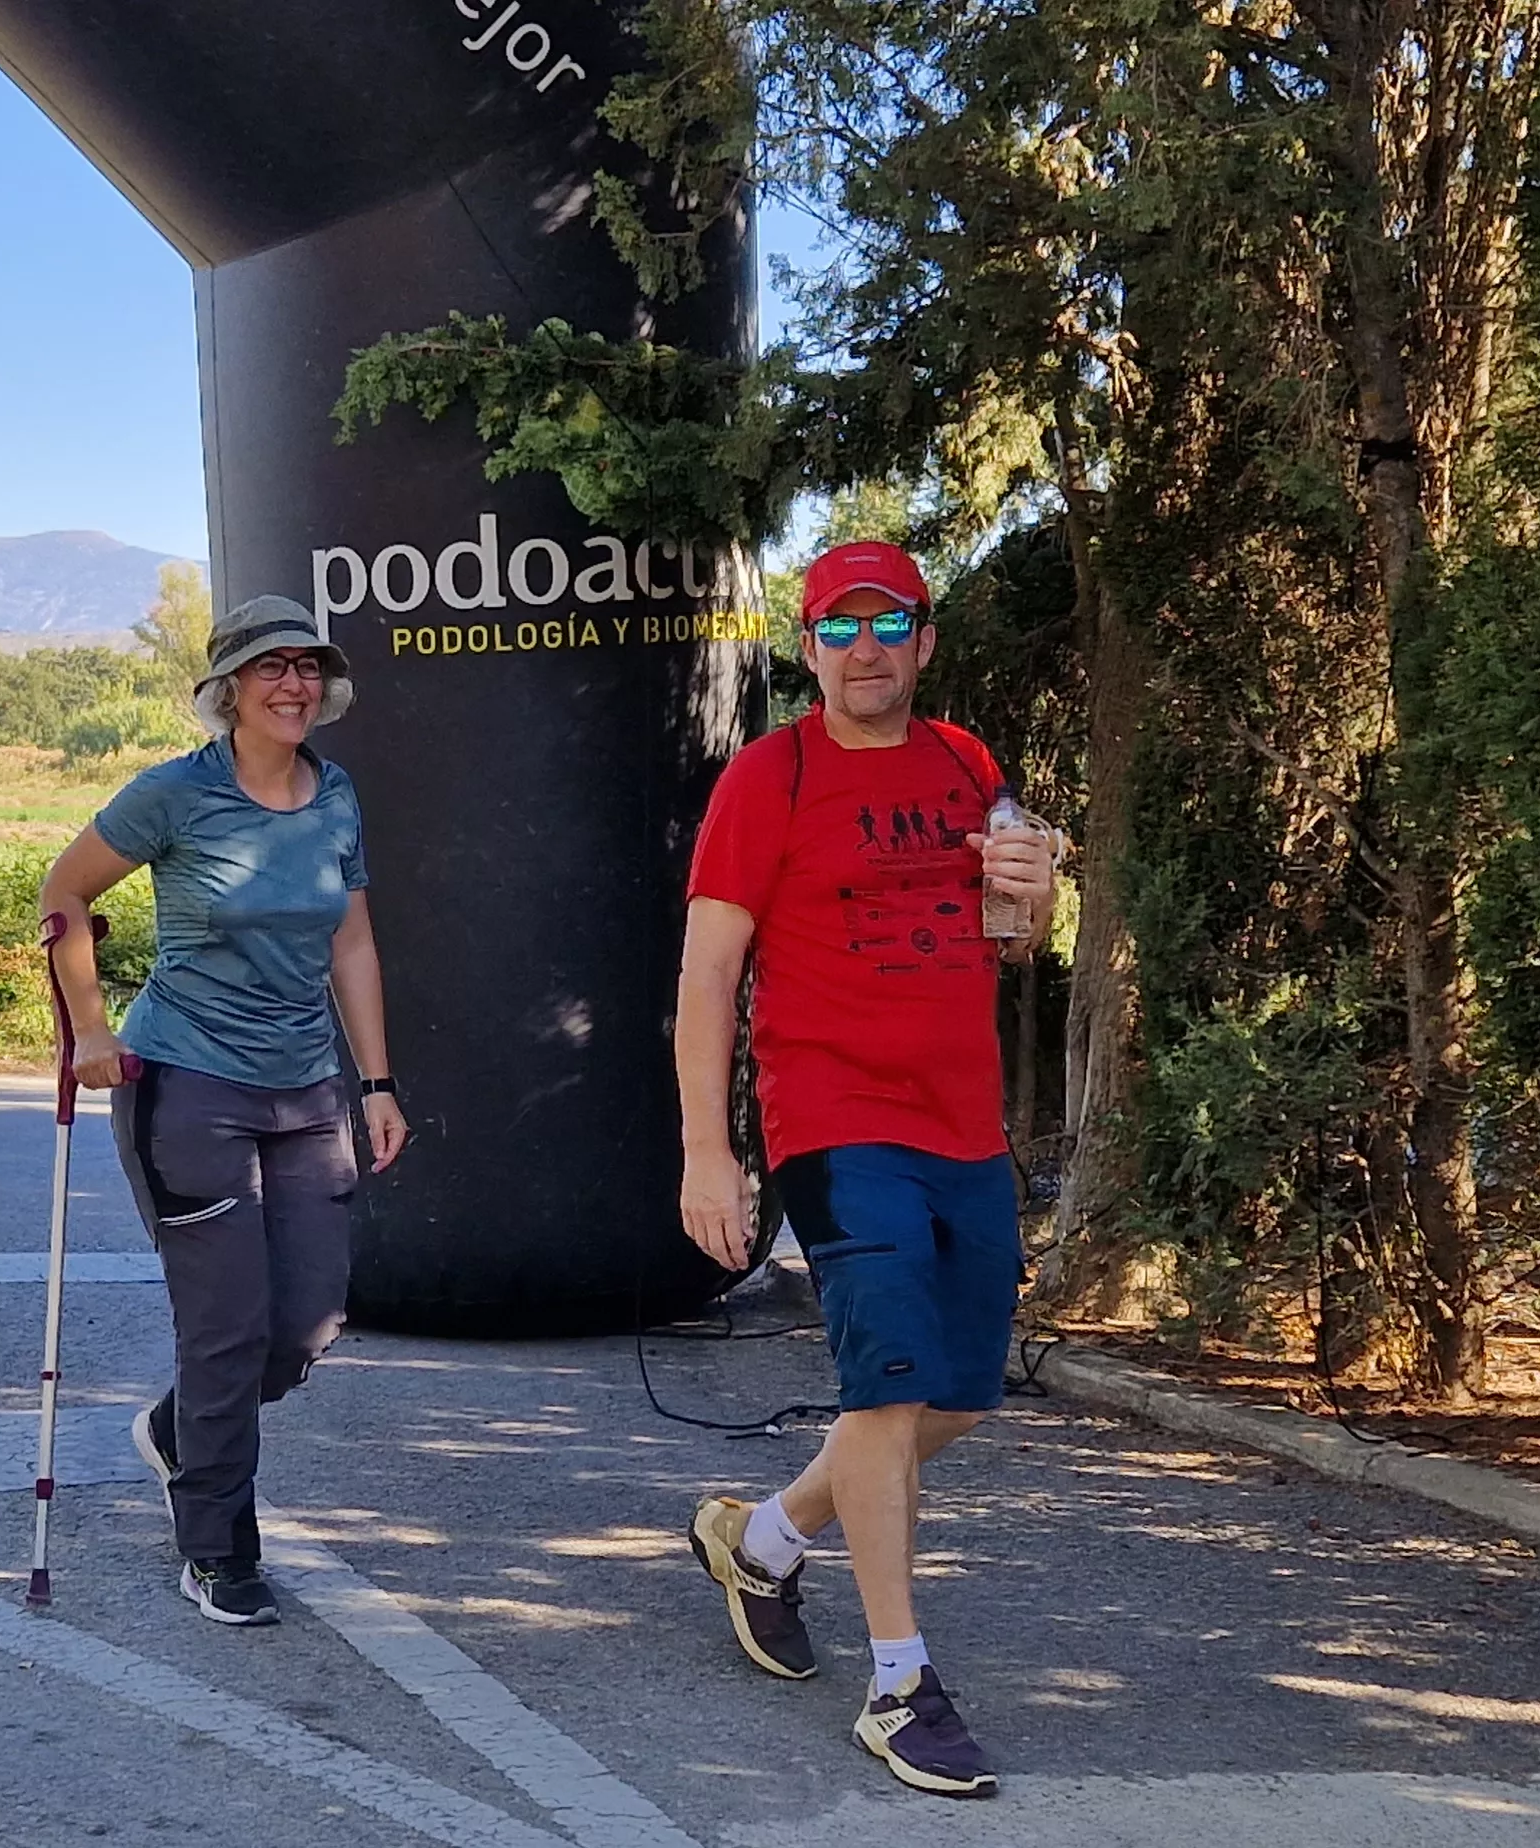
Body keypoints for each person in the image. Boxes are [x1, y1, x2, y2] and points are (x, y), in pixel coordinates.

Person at [668, 540, 1061, 1798]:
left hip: (964, 1125)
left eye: (887, 623)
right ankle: (901, 1687)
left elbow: (1010, 936)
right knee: (884, 1393)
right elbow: (707, 977)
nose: (865, 648)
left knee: (956, 1394)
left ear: (925, 640)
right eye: (838, 628)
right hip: (833, 1120)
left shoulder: (967, 767)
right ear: (808, 648)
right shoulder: (768, 779)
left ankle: (767, 1536)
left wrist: (1038, 893)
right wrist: (706, 1153)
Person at [39, 594, 410, 1627]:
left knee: (304, 1328)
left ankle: (177, 1434)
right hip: (187, 1085)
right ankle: (217, 1546)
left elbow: (352, 944)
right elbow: (64, 892)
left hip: (307, 1090)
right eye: (268, 668)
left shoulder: (335, 794)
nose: (292, 684)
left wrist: (375, 1083)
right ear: (228, 690)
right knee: (225, 1330)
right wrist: (91, 1029)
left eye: (306, 666)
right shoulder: (175, 795)